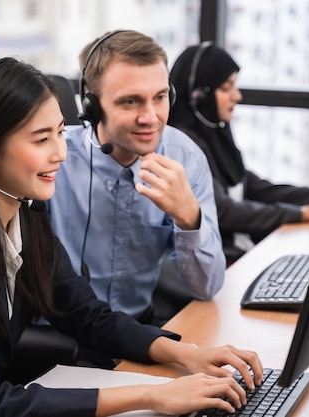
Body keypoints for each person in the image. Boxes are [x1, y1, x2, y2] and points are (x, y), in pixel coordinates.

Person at [0, 57, 263, 417]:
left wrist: (189, 354)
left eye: (61, 132)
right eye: (41, 138)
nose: (61, 153)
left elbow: (84, 313)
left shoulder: (26, 210)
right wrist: (156, 395)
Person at [48, 30, 226, 324]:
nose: (150, 117)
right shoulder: (55, 158)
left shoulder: (185, 157)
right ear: (91, 106)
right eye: (130, 102)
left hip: (139, 331)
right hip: (60, 337)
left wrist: (189, 218)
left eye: (160, 97)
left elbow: (207, 288)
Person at [169, 42, 309, 263]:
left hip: (237, 252)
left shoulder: (214, 133)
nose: (237, 96)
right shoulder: (182, 145)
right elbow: (224, 211)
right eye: (226, 88)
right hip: (216, 263)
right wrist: (301, 214)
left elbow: (253, 186)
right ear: (199, 95)